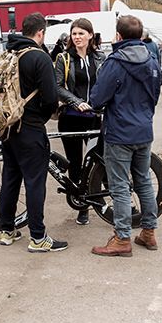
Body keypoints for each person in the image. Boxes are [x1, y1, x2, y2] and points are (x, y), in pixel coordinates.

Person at [90, 15, 162, 257]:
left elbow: (98, 99)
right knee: (143, 181)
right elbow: (155, 95)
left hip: (120, 132)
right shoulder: (152, 60)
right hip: (144, 130)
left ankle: (122, 238)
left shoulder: (115, 62)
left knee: (120, 186)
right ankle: (149, 233)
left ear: (118, 36)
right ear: (141, 36)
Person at [0, 13, 66, 252]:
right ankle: (38, 237)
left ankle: (7, 230)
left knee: (10, 178)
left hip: (8, 128)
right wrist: (42, 118)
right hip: (30, 128)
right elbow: (50, 97)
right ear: (41, 33)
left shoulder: (11, 54)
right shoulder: (39, 57)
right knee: (35, 182)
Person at [54, 18, 105, 226]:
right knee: (75, 163)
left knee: (99, 161)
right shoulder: (63, 58)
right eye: (74, 34)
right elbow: (57, 86)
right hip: (71, 119)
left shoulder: (100, 58)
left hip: (94, 118)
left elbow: (106, 83)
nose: (77, 38)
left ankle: (101, 199)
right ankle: (82, 206)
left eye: (81, 34)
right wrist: (76, 102)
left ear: (90, 35)